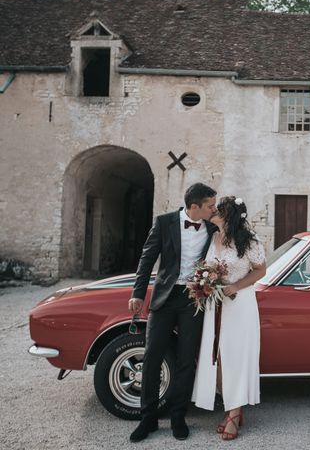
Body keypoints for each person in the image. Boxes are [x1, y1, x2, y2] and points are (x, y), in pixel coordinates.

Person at [128, 183, 218, 443]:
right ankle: (148, 419)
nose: (214, 209)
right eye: (210, 205)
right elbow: (147, 258)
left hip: (194, 299)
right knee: (153, 356)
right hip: (164, 298)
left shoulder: (213, 228)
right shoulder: (164, 222)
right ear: (194, 207)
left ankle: (178, 416)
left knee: (186, 359)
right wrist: (137, 292)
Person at [192, 196, 266, 441]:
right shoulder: (214, 237)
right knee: (219, 359)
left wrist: (236, 286)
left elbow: (261, 270)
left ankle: (234, 413)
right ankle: (231, 407)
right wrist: (205, 283)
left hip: (240, 304)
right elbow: (209, 267)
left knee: (236, 357)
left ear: (228, 215)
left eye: (218, 209)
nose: (213, 211)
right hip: (216, 305)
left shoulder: (249, 242)